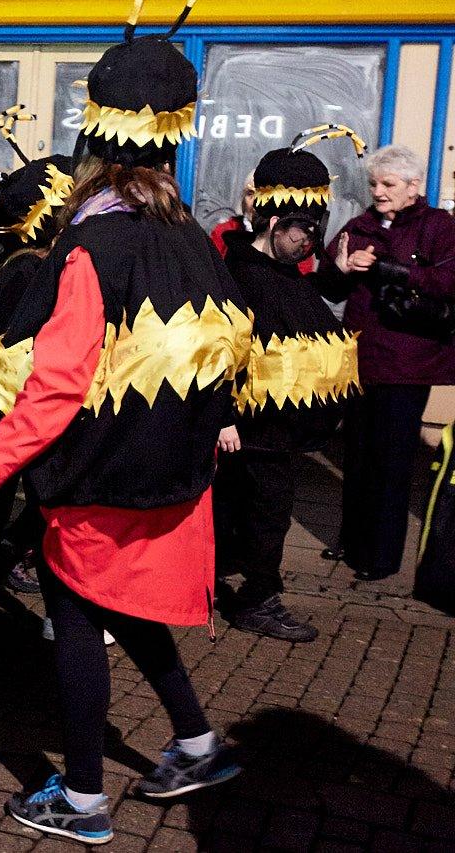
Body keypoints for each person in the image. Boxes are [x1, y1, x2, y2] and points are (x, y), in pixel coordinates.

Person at [0, 7, 249, 843]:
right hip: (171, 476)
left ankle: (81, 800)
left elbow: (55, 385)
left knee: (80, 624)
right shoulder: (190, 235)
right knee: (127, 607)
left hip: (93, 479)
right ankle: (194, 740)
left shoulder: (94, 246)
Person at [214, 128, 364, 641]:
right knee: (266, 510)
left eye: (314, 228)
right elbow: (215, 350)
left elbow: (299, 315)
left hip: (279, 426)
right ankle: (258, 597)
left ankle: (220, 579)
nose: (309, 241)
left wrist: (333, 276)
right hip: (255, 426)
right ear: (274, 220)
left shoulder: (280, 269)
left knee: (245, 507)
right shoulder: (239, 273)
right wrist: (224, 417)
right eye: (302, 229)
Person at [320, 144, 455, 581]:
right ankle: (352, 540)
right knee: (357, 456)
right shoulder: (358, 225)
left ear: (414, 187)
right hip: (361, 361)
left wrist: (388, 269)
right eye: (374, 183)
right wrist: (339, 268)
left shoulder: (439, 226)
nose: (378, 191)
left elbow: (447, 281)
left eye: (388, 184)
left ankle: (380, 557)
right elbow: (332, 288)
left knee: (392, 462)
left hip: (408, 363)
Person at [0, 154, 74, 599]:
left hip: (48, 407)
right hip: (9, 411)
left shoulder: (65, 264)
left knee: (51, 507)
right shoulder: (26, 268)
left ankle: (56, 608)